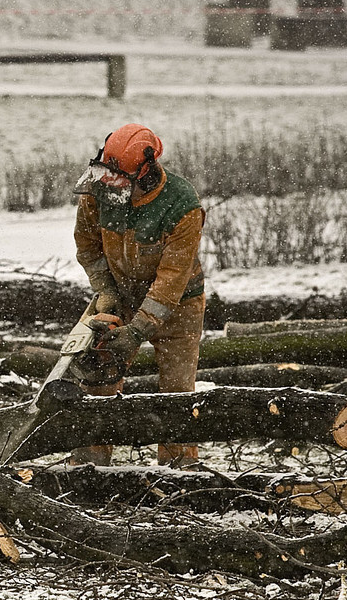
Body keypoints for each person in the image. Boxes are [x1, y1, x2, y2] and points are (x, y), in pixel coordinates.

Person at [71, 123, 206, 467]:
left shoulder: (182, 204)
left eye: (119, 177)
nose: (110, 184)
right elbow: (88, 246)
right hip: (121, 292)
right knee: (96, 374)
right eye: (107, 174)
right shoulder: (98, 192)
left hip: (178, 304)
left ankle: (180, 473)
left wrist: (136, 331)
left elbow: (171, 280)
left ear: (144, 170)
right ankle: (88, 466)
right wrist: (105, 292)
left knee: (176, 392)